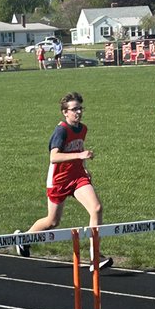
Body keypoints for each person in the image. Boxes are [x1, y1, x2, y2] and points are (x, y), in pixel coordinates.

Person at [14, 92, 113, 273]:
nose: (79, 112)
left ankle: (95, 256)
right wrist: (79, 155)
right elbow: (54, 157)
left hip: (77, 177)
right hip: (59, 180)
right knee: (52, 221)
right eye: (74, 109)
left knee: (96, 208)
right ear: (65, 112)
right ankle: (24, 239)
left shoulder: (82, 129)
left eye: (80, 108)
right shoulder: (61, 130)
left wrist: (84, 167)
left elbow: (78, 148)